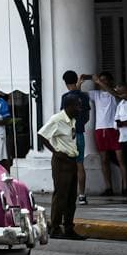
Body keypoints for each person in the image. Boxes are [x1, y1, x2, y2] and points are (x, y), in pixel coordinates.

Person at [35, 99, 83, 240]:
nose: (79, 109)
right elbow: (41, 135)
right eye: (77, 106)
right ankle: (55, 228)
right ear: (68, 107)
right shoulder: (57, 119)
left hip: (72, 159)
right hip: (61, 160)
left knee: (71, 196)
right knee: (61, 195)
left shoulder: (72, 120)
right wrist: (55, 151)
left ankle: (68, 228)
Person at [85, 72, 121, 198]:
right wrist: (80, 81)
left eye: (105, 80)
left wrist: (98, 81)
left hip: (114, 128)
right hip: (100, 128)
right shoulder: (96, 94)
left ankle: (126, 186)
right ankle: (108, 187)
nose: (102, 82)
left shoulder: (114, 92)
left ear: (110, 81)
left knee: (121, 158)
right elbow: (79, 94)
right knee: (104, 159)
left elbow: (115, 94)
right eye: (101, 80)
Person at [60, 71, 91, 204]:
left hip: (68, 135)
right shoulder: (84, 97)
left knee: (66, 165)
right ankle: (82, 195)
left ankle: (68, 193)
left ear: (66, 83)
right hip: (79, 133)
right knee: (80, 164)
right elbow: (87, 117)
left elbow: (63, 117)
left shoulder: (65, 97)